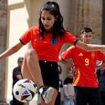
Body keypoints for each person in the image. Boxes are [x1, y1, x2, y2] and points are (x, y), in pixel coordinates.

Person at [0, 1, 105, 105]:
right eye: (43, 18)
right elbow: (15, 47)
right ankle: (42, 89)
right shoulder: (33, 31)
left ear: (56, 18)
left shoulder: (63, 35)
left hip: (51, 71)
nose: (45, 22)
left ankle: (43, 91)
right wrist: (1, 56)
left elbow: (86, 47)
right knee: (29, 52)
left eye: (49, 19)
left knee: (47, 103)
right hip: (33, 69)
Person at [59, 27, 105, 105]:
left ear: (92, 37)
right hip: (80, 83)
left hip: (93, 84)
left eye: (89, 36)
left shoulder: (95, 50)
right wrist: (70, 65)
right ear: (81, 36)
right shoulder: (74, 48)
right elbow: (60, 58)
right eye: (86, 36)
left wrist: (100, 66)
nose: (88, 38)